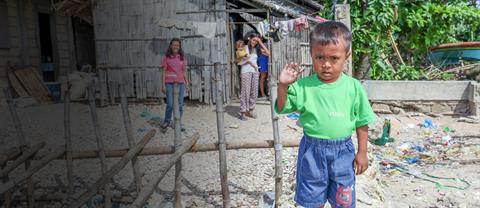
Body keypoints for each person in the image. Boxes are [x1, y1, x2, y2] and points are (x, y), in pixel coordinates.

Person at [275, 21, 376, 208]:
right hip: (312, 152)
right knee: (313, 200)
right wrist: (283, 86)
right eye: (319, 57)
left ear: (347, 56)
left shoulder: (353, 87)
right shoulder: (303, 86)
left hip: (343, 153)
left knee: (343, 200)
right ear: (311, 55)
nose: (326, 65)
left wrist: (362, 152)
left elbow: (362, 121)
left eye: (334, 58)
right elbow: (282, 108)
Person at [237, 33, 269, 121]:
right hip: (245, 71)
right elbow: (239, 60)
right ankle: (243, 111)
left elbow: (268, 53)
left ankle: (250, 109)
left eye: (256, 41)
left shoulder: (257, 49)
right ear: (250, 39)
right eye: (253, 40)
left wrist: (260, 42)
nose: (254, 42)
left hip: (255, 72)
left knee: (254, 91)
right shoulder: (244, 47)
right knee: (245, 92)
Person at [161, 38, 190, 132]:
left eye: (177, 45)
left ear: (179, 47)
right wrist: (163, 85)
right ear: (170, 46)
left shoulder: (182, 59)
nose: (175, 47)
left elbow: (184, 72)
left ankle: (177, 122)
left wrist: (187, 84)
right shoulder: (166, 58)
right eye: (174, 45)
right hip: (169, 83)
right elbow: (163, 72)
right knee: (170, 104)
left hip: (180, 83)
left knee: (180, 104)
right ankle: (167, 121)